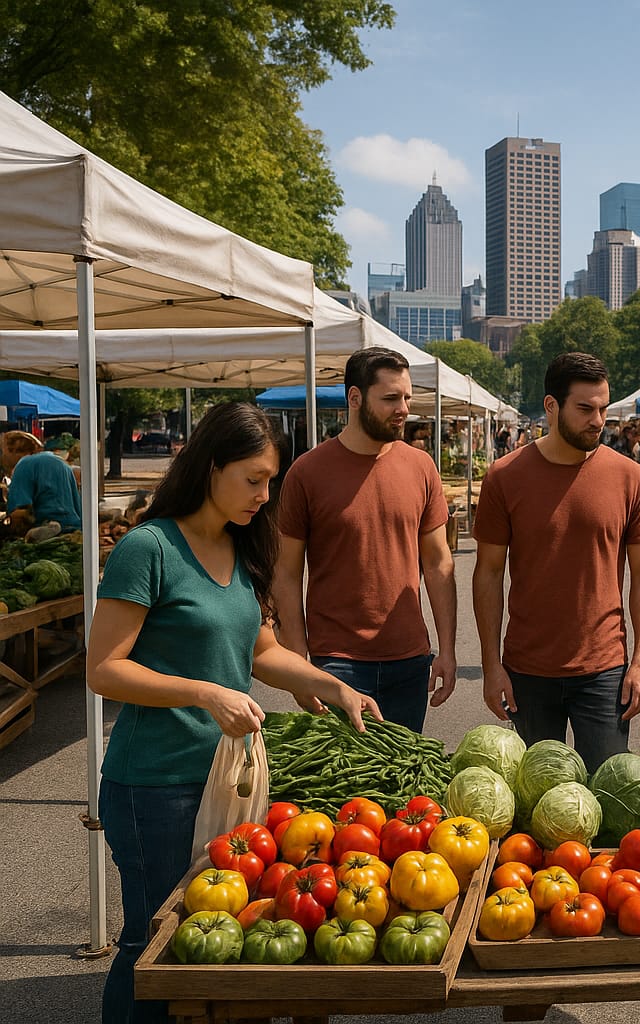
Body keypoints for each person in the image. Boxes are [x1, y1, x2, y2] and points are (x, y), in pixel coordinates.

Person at [86, 402, 379, 1024]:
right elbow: (103, 669)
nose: (263, 494)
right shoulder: (149, 547)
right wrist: (205, 692)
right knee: (152, 942)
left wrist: (331, 686)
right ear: (211, 467)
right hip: (154, 784)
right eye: (252, 479)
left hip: (226, 783)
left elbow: (262, 652)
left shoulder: (243, 545)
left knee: (202, 943)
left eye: (270, 480)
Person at [473, 352, 640, 769]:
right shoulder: (504, 476)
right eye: (585, 409)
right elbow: (487, 573)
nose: (598, 420)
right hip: (527, 669)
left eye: (603, 408)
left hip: (605, 668)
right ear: (551, 406)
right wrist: (491, 665)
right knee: (539, 803)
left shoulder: (629, 476)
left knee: (609, 796)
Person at [273, 347, 457, 734]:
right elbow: (285, 573)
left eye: (407, 397)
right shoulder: (306, 473)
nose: (404, 408)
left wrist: (448, 649)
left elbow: (439, 563)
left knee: (402, 783)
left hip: (410, 659)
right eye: (390, 398)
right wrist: (298, 661)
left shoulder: (421, 466)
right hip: (334, 662)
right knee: (345, 788)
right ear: (354, 398)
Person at [2, 429, 82, 534]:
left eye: (3, 452)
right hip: (73, 528)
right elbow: (78, 505)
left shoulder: (24, 464)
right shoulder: (61, 462)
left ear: (14, 450)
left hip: (45, 529)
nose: (2, 457)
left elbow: (21, 513)